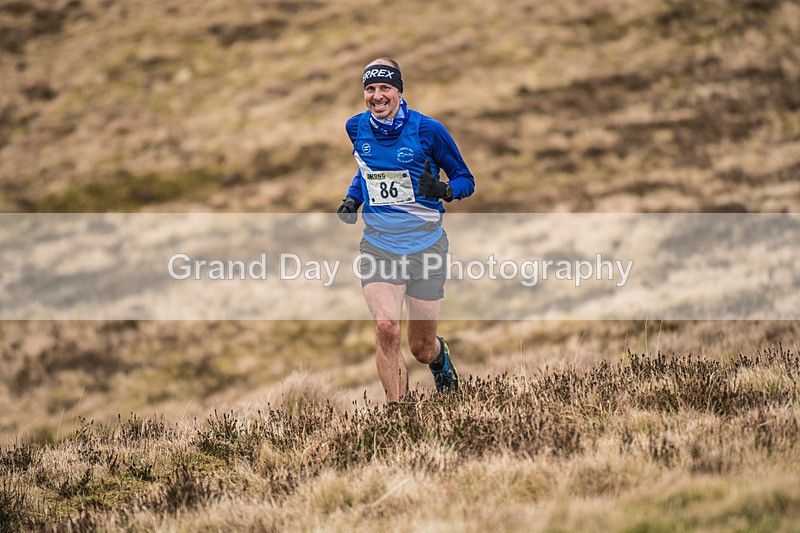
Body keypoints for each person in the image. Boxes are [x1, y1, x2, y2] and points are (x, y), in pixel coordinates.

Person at [336, 57, 475, 402]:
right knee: (385, 330)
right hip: (379, 244)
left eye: (385, 87)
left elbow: (465, 179)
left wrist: (444, 190)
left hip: (426, 246)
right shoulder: (356, 128)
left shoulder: (428, 130)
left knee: (422, 348)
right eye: (370, 88)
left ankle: (441, 363)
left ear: (399, 91)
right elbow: (366, 171)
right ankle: (400, 419)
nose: (377, 95)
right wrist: (353, 199)